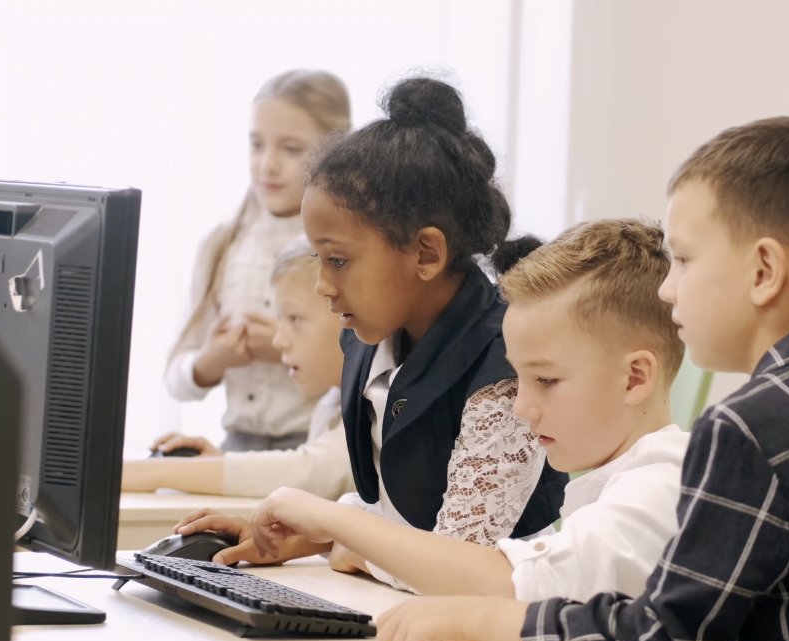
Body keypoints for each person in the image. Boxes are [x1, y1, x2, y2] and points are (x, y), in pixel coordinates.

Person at [373, 117, 789, 641]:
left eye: (683, 260)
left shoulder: (750, 431)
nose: (669, 290)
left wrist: (482, 617)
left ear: (763, 272)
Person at [172, 77, 567, 579]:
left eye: (338, 260)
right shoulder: (373, 342)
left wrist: (348, 541)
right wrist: (312, 539)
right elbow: (397, 511)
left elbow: (462, 566)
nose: (322, 285)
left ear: (426, 252)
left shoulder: (506, 364)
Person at [179, 219, 687, 600]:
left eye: (546, 381)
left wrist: (329, 520)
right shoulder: (605, 489)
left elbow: (494, 580)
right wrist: (324, 537)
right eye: (523, 379)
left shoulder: (660, 490)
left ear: (635, 378)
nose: (525, 410)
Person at [165, 69, 351, 451]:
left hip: (321, 448)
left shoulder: (350, 248)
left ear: (337, 150)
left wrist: (286, 346)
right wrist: (211, 361)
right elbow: (175, 375)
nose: (267, 164)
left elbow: (378, 369)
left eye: (291, 148)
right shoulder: (222, 244)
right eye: (256, 144)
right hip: (233, 447)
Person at [122, 238, 353, 505]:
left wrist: (157, 473)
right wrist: (218, 461)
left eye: (294, 318)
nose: (278, 340)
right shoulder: (331, 404)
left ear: (349, 313)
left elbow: (315, 473)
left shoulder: (375, 402)